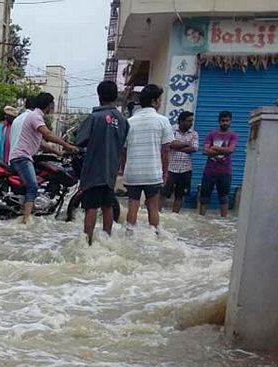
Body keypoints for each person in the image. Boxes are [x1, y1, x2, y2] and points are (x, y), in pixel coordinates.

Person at [8, 93, 78, 223]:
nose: (53, 107)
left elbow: (41, 143)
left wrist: (58, 153)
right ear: (48, 105)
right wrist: (67, 146)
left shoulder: (30, 116)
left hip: (19, 156)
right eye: (52, 105)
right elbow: (48, 134)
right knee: (32, 186)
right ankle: (26, 220)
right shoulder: (36, 116)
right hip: (22, 157)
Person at [76, 80, 129, 245]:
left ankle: (87, 242)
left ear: (99, 96)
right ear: (115, 97)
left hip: (93, 170)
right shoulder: (123, 120)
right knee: (107, 205)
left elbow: (80, 140)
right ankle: (107, 239)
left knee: (91, 207)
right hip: (111, 170)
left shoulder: (94, 117)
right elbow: (123, 144)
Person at [119, 84, 173, 232]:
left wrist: (124, 170)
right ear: (154, 102)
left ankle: (129, 237)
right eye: (160, 100)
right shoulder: (163, 121)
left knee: (133, 207)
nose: (161, 103)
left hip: (133, 173)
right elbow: (165, 151)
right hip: (153, 173)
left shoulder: (130, 122)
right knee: (153, 208)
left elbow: (123, 151)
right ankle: (155, 238)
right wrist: (165, 172)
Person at [200, 110, 238, 217]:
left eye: (227, 120)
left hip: (225, 171)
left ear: (230, 121)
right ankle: (201, 218)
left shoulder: (232, 136)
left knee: (224, 197)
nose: (225, 123)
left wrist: (215, 148)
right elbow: (205, 150)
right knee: (204, 197)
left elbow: (231, 150)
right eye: (223, 121)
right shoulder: (211, 134)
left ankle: (224, 219)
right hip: (209, 171)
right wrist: (223, 150)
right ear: (219, 121)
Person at [163, 111, 198, 213]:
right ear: (181, 121)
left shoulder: (194, 133)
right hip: (170, 168)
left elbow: (194, 148)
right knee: (163, 193)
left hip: (186, 169)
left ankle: (175, 216)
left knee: (180, 195)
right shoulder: (171, 130)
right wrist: (187, 143)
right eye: (188, 121)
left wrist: (177, 146)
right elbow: (170, 144)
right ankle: (158, 215)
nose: (191, 123)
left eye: (191, 121)